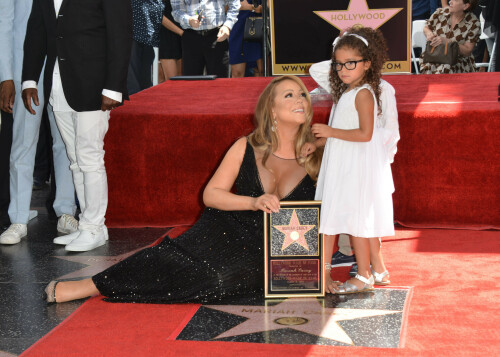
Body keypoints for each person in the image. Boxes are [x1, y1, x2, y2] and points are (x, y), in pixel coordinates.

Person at [42, 75, 327, 303]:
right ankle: (91, 285)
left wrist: (321, 271)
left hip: (273, 251)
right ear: (272, 110)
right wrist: (253, 202)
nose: (300, 99)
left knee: (218, 279)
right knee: (171, 256)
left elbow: (361, 146)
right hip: (225, 227)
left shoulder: (320, 150)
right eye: (289, 95)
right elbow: (211, 195)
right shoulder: (246, 146)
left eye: (302, 94)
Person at [21, 0, 133, 252]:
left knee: (89, 157)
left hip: (94, 85)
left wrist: (114, 86)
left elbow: (120, 33)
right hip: (58, 85)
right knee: (75, 159)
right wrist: (29, 78)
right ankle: (89, 226)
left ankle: (93, 226)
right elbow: (37, 30)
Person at [304, 27, 396, 294]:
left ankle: (365, 274)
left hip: (355, 166)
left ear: (368, 64)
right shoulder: (347, 92)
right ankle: (368, 271)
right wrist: (319, 142)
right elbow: (342, 131)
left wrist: (329, 132)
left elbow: (365, 134)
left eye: (351, 63)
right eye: (338, 64)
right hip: (342, 162)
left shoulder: (364, 93)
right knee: (341, 216)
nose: (343, 69)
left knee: (356, 219)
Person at [0, 0, 77, 245]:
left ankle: (66, 211)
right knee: (23, 141)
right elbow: (4, 23)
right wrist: (7, 76)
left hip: (60, 63)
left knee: (65, 141)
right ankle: (19, 217)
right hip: (24, 68)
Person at [171, 0, 240, 77]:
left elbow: (234, 3)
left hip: (217, 36)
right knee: (191, 84)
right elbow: (176, 11)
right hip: (191, 38)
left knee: (220, 83)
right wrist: (188, 20)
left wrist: (227, 26)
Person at [420, 0, 481, 74]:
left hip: (457, 61)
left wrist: (449, 42)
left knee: (446, 67)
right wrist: (429, 33)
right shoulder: (440, 13)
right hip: (434, 56)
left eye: (455, 0)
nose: (450, 2)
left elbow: (467, 51)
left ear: (466, 6)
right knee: (429, 65)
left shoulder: (473, 23)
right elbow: (426, 27)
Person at [128, 0, 164, 95]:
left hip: (148, 35)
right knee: (133, 84)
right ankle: (132, 106)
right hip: (132, 34)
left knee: (145, 81)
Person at [229, 0, 263, 77]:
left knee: (261, 71)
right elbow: (224, 7)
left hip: (260, 26)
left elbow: (271, 6)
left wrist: (253, 7)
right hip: (238, 28)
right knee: (237, 73)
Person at [159, 0, 183, 80]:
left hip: (185, 34)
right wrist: (181, 32)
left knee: (182, 78)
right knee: (172, 80)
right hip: (167, 35)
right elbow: (159, 15)